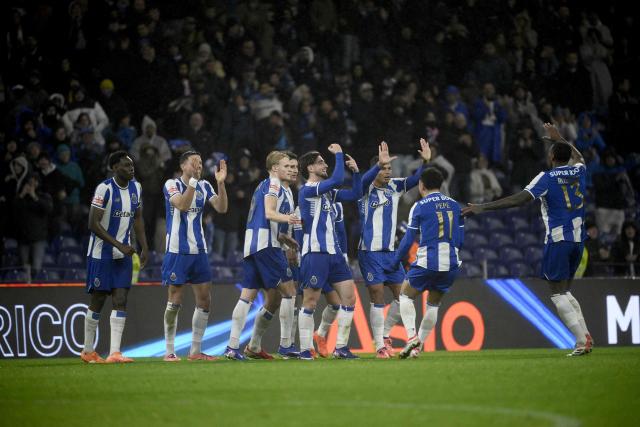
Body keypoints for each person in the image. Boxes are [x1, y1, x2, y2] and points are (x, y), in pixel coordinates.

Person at [463, 123, 593, 356]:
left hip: (558, 238)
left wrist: (482, 207)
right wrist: (559, 138)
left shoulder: (547, 177)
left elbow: (518, 199)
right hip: (578, 240)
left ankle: (581, 341)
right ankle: (585, 337)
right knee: (565, 291)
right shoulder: (578, 171)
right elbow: (580, 156)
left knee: (556, 292)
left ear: (552, 155)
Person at [224, 151, 301, 360]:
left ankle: (240, 347)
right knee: (290, 292)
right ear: (275, 168)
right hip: (266, 246)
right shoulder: (274, 184)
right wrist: (290, 218)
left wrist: (285, 238)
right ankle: (286, 345)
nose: (292, 170)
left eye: (294, 167)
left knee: (253, 296)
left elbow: (266, 219)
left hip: (254, 245)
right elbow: (269, 212)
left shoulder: (276, 187)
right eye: (287, 166)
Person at [357, 139, 431, 358]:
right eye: (384, 169)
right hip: (369, 252)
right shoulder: (365, 188)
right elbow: (363, 178)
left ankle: (385, 334)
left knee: (404, 296)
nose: (388, 172)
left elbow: (416, 179)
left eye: (389, 168)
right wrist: (377, 165)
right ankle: (379, 345)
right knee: (377, 295)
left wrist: (425, 162)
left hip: (390, 252)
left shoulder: (395, 186)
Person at [384, 168, 464, 359]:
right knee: (433, 305)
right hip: (451, 263)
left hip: (428, 261)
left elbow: (408, 239)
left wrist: (395, 261)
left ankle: (412, 337)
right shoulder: (455, 205)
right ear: (442, 184)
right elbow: (460, 240)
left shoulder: (419, 206)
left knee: (405, 295)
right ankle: (418, 348)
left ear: (421, 185)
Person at [81, 151, 149, 364]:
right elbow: (93, 223)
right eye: (126, 166)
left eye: (132, 165)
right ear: (114, 168)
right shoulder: (105, 188)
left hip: (124, 255)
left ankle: (115, 353)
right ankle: (88, 350)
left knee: (121, 299)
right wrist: (119, 244)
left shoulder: (136, 188)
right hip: (101, 254)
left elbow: (138, 218)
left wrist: (144, 246)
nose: (131, 168)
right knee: (99, 299)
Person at [297, 144, 362, 359]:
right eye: (321, 162)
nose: (325, 164)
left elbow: (355, 194)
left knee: (349, 298)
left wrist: (357, 173)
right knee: (310, 302)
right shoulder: (307, 190)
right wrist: (339, 155)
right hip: (315, 252)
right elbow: (335, 180)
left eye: (326, 161)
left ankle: (341, 347)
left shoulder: (328, 194)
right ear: (310, 168)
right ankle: (306, 349)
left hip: (334, 254)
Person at [161, 151, 228, 362]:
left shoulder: (205, 185)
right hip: (176, 251)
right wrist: (192, 182)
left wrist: (220, 183)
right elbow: (182, 204)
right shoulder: (171, 184)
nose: (198, 166)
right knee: (175, 301)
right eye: (194, 163)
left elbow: (222, 208)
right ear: (183, 166)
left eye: (200, 163)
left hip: (199, 251)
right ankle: (169, 351)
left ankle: (195, 351)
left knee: (205, 300)